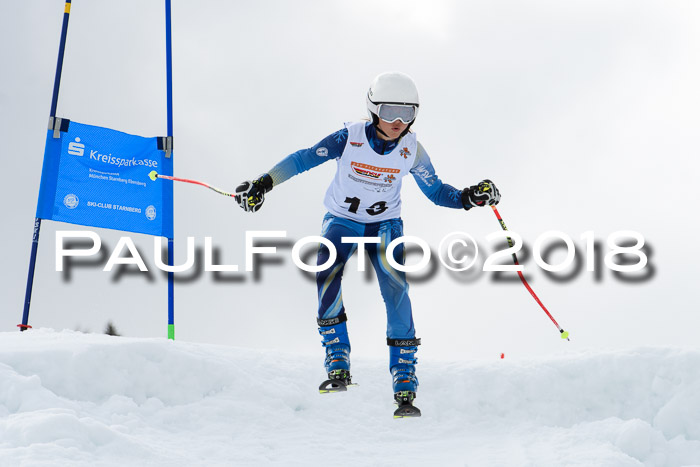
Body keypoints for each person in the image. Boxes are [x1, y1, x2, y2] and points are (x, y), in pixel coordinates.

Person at [234, 71, 500, 415]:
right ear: (374, 110)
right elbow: (303, 159)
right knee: (326, 270)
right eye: (389, 112)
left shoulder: (411, 150)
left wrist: (468, 197)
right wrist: (263, 184)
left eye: (407, 113)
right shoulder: (349, 138)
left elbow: (435, 191)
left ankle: (404, 376)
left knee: (395, 287)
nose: (398, 121)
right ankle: (337, 358)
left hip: (384, 225)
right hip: (342, 221)